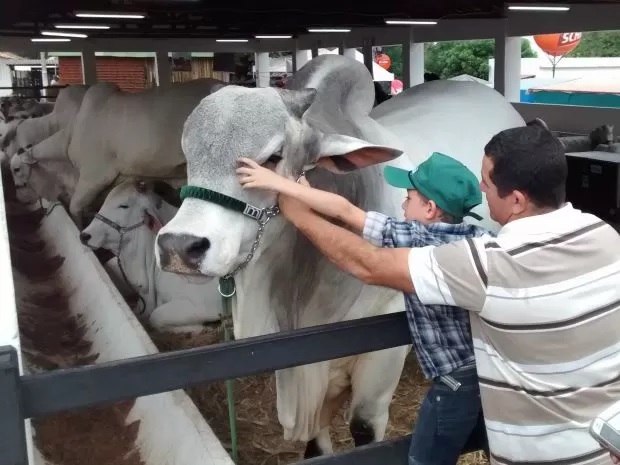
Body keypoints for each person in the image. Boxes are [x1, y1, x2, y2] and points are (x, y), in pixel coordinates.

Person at [245, 124, 620, 465]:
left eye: (487, 185)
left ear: (517, 200)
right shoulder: (605, 236)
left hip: (536, 448)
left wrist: (294, 208)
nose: (484, 194)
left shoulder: (482, 264)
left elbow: (368, 263)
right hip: (602, 443)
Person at [237, 151, 492, 465]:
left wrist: (279, 186)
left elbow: (348, 214)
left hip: (453, 383)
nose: (402, 203)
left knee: (427, 457)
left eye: (409, 197)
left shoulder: (416, 241)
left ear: (429, 208)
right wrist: (302, 186)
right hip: (491, 373)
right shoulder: (480, 238)